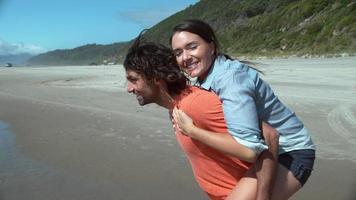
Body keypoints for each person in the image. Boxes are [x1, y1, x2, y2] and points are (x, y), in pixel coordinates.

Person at [170, 19, 316, 199]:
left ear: (212, 47)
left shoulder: (230, 80)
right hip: (267, 150)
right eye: (178, 53)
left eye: (192, 47)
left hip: (291, 152)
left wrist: (192, 130)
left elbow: (252, 146)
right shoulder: (206, 76)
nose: (185, 57)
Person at [124, 34, 278, 200]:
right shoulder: (177, 109)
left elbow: (269, 136)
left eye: (133, 80)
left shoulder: (196, 103)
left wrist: (263, 196)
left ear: (156, 78)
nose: (129, 88)